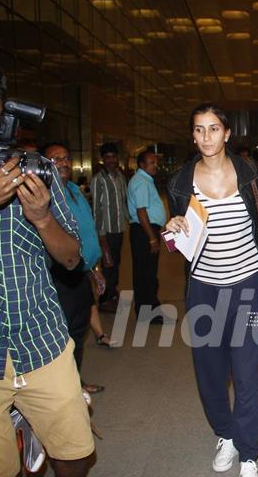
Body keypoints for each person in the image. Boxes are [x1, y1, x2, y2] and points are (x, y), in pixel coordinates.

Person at [0, 73, 95, 476]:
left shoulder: (37, 170)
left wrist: (42, 219)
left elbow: (72, 259)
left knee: (74, 455)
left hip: (42, 341)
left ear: (5, 110)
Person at [165, 103, 258, 477]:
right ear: (192, 135)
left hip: (247, 285)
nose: (205, 137)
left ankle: (249, 451)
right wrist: (172, 227)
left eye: (213, 129)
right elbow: (178, 239)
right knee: (209, 372)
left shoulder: (250, 174)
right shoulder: (179, 182)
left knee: (245, 371)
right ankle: (224, 434)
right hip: (204, 289)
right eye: (198, 129)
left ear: (227, 133)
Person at [44, 143, 106, 394]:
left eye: (66, 158)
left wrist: (94, 268)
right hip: (58, 275)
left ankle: (75, 383)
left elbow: (87, 232)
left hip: (80, 271)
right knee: (64, 334)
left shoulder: (73, 190)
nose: (63, 162)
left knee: (79, 330)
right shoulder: (42, 194)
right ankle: (62, 391)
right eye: (55, 159)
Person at [127, 149, 166, 319]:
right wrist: (151, 238)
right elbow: (141, 212)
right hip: (144, 232)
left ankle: (151, 308)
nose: (155, 165)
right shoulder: (141, 182)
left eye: (155, 162)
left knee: (148, 272)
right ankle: (148, 313)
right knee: (145, 274)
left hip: (146, 230)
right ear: (142, 165)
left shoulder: (144, 180)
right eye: (151, 163)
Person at [91, 142, 128, 313]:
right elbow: (97, 209)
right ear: (102, 160)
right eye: (107, 157)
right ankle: (105, 299)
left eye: (114, 156)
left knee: (116, 263)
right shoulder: (98, 180)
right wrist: (101, 234)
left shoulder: (120, 177)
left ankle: (112, 293)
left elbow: (123, 201)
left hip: (119, 228)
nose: (111, 160)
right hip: (106, 231)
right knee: (108, 265)